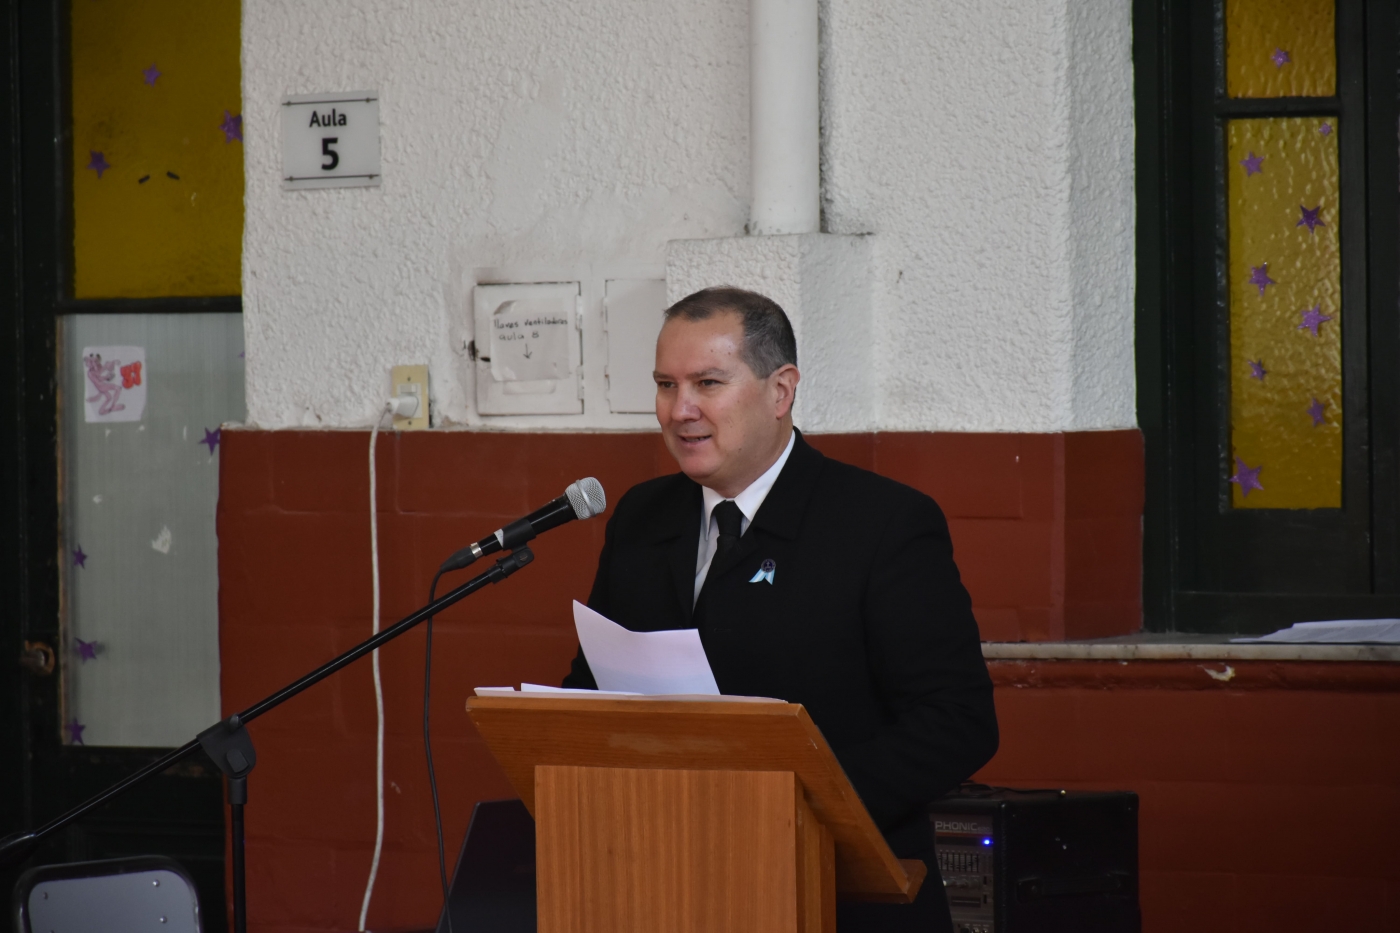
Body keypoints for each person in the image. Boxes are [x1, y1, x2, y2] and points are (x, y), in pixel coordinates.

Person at [563, 286, 998, 932]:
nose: (680, 410)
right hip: (662, 882)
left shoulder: (882, 524)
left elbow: (957, 720)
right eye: (664, 384)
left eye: (708, 382)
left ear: (780, 390)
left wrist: (797, 805)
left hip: (838, 894)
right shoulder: (642, 517)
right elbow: (590, 691)